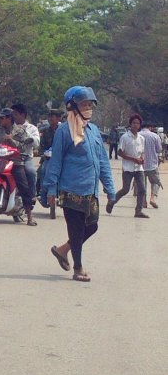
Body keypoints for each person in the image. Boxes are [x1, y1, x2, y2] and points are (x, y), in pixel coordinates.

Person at [42, 86, 116, 283]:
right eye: (84, 104)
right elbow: (55, 162)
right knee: (75, 229)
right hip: (70, 190)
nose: (88, 108)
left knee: (92, 227)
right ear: (72, 106)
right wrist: (51, 188)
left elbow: (103, 162)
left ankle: (62, 250)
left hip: (91, 191)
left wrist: (110, 189)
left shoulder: (93, 131)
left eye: (90, 104)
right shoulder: (64, 132)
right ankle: (78, 268)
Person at [106, 114, 148, 218]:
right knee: (125, 189)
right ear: (130, 124)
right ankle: (112, 201)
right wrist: (133, 159)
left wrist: (142, 159)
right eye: (134, 123)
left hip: (139, 168)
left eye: (137, 123)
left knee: (142, 189)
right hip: (128, 168)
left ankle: (138, 211)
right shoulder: (125, 137)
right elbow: (120, 153)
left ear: (140, 125)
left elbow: (142, 152)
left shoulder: (142, 138)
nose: (135, 125)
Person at [10, 103, 40, 206]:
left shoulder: (32, 128)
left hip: (25, 158)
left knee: (31, 172)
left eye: (15, 114)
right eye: (12, 114)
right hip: (9, 157)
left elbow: (36, 143)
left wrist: (31, 139)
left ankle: (32, 195)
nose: (13, 116)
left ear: (22, 115)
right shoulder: (9, 127)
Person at [36, 109, 64, 198]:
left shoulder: (65, 131)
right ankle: (40, 192)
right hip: (48, 158)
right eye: (49, 117)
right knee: (41, 171)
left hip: (62, 159)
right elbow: (41, 145)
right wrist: (41, 152)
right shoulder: (44, 131)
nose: (50, 119)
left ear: (59, 118)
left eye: (52, 117)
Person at [139, 121, 162, 209]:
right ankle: (152, 198)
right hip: (152, 164)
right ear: (150, 127)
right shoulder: (155, 136)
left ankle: (143, 202)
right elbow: (159, 149)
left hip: (140, 164)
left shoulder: (137, 135)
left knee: (142, 184)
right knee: (156, 182)